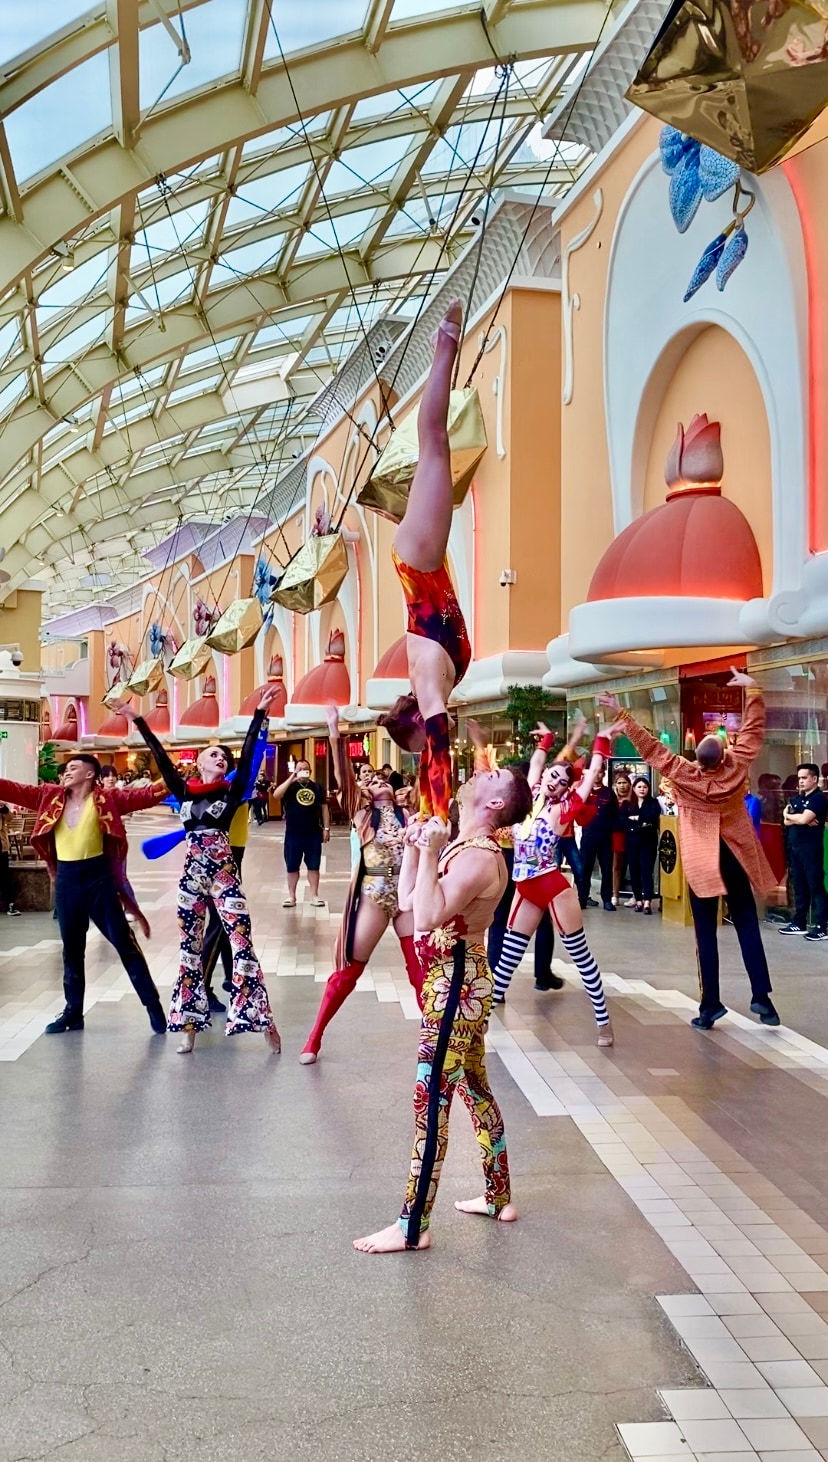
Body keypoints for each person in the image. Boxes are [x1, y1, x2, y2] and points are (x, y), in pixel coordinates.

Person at [353, 762, 533, 1254]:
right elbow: (409, 900)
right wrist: (418, 849)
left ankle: (413, 1225)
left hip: (457, 986)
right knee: (474, 1089)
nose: (481, 771)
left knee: (430, 1099)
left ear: (495, 803)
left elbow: (429, 916)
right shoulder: (463, 844)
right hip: (451, 983)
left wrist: (430, 850)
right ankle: (498, 1196)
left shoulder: (478, 857)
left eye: (493, 776)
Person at [599, 669, 781, 1030]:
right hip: (735, 855)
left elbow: (653, 750)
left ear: (698, 759)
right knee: (746, 922)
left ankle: (710, 1005)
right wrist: (753, 692)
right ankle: (762, 998)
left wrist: (622, 714)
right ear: (725, 755)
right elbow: (752, 732)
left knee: (705, 932)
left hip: (703, 861)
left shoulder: (685, 774)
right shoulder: (736, 767)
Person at [120, 691, 282, 1055]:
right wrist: (137, 719)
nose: (220, 758)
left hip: (225, 877)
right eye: (214, 755)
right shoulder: (184, 791)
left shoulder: (232, 791)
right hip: (192, 879)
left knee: (242, 945)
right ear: (199, 763)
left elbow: (249, 754)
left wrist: (259, 715)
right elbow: (160, 756)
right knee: (189, 952)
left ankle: (264, 1021)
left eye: (224, 756)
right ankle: (189, 1026)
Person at [378, 298, 471, 826]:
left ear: (416, 721)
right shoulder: (436, 684)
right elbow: (434, 749)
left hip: (419, 564)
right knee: (435, 449)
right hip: (424, 565)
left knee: (434, 444)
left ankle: (444, 346)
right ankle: (444, 348)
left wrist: (435, 813)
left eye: (419, 742)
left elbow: (437, 749)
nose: (436, 738)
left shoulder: (428, 685)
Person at [0, 755, 168, 1034]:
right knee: (72, 950)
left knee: (124, 944)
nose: (66, 772)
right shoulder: (49, 796)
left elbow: (149, 794)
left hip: (98, 880)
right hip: (67, 882)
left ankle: (152, 1004)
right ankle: (73, 1013)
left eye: (73, 768)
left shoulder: (108, 799)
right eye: (66, 769)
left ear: (90, 774)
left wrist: (175, 775)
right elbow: (13, 790)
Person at [299, 705, 424, 1065]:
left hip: (407, 893)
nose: (379, 782)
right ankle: (314, 1037)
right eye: (372, 782)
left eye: (383, 780)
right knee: (349, 971)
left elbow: (429, 778)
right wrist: (334, 731)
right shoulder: (361, 811)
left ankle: (434, 1035)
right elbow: (344, 776)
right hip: (374, 893)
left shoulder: (409, 810)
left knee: (419, 969)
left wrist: (426, 735)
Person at [490, 725, 615, 1046]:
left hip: (552, 887)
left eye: (562, 781)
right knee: (509, 954)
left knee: (580, 956)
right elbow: (535, 763)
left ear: (565, 788)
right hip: (525, 887)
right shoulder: (530, 796)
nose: (555, 781)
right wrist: (545, 741)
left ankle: (603, 1022)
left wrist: (601, 744)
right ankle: (483, 1017)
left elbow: (590, 777)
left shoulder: (564, 809)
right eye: (553, 775)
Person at [465, 719, 560, 995]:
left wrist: (479, 742)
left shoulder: (501, 799)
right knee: (541, 919)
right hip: (524, 864)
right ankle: (542, 974)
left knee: (499, 920)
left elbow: (483, 770)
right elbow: (543, 768)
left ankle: (496, 982)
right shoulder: (529, 801)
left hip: (500, 859)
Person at [272, 759, 329, 908]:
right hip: (293, 833)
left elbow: (324, 808)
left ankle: (314, 895)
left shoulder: (317, 787)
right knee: (292, 866)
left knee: (314, 866)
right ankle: (291, 896)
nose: (303, 771)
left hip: (313, 833)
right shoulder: (290, 787)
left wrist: (326, 828)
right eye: (300, 768)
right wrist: (292, 776)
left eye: (306, 768)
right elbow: (276, 795)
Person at [780, 762, 828, 940]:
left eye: (804, 778)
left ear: (814, 779)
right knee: (800, 886)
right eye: (799, 778)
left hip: (811, 849)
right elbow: (787, 821)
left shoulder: (818, 799)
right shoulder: (797, 799)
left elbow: (803, 819)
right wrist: (794, 818)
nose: (800, 781)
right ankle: (799, 922)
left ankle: (822, 926)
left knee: (815, 886)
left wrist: (793, 817)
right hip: (795, 848)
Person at [577, 766, 616, 912]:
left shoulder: (609, 793)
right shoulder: (584, 792)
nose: (597, 775)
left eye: (600, 772)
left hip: (605, 836)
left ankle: (607, 900)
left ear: (603, 774)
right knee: (585, 869)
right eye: (595, 772)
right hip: (588, 835)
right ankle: (582, 898)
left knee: (606, 869)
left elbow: (614, 814)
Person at [622, 774, 661, 914]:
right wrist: (641, 822)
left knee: (646, 871)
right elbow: (623, 820)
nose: (642, 789)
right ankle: (638, 900)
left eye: (645, 787)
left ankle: (647, 902)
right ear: (634, 788)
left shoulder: (653, 802)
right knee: (634, 872)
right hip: (632, 842)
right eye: (639, 787)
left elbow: (652, 817)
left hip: (648, 843)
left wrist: (636, 818)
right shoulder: (627, 804)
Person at [611, 770, 632, 906]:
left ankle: (636, 895)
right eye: (619, 783)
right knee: (616, 866)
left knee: (633, 865)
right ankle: (615, 894)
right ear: (615, 785)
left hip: (631, 835)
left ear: (629, 784)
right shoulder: (612, 800)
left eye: (625, 782)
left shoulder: (634, 800)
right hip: (616, 835)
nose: (622, 785)